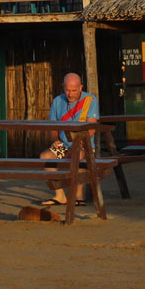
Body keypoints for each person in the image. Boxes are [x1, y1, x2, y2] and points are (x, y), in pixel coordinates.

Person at [38, 72, 98, 206]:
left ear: (81, 87)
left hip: (84, 145)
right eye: (67, 90)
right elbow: (53, 128)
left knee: (80, 155)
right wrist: (56, 140)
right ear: (63, 88)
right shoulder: (57, 101)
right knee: (45, 156)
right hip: (64, 145)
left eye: (74, 90)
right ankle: (59, 195)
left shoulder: (91, 100)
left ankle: (78, 196)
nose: (70, 94)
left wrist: (77, 145)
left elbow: (92, 128)